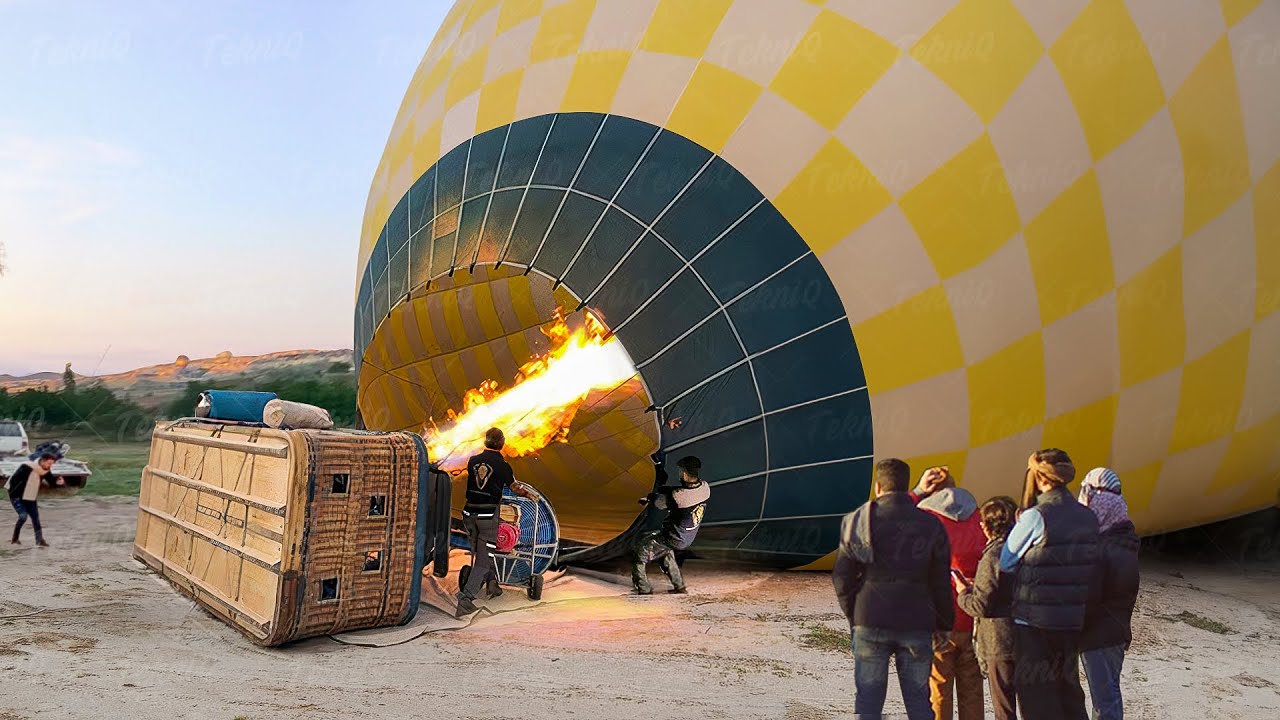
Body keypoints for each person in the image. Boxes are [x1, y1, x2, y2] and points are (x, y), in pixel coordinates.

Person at [833, 458, 953, 720]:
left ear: (878, 486)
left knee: (868, 700)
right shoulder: (932, 525)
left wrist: (854, 613)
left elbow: (842, 577)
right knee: (919, 699)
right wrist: (944, 623)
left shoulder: (858, 521)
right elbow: (941, 581)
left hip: (870, 617)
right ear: (906, 484)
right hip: (917, 620)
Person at [1000, 449, 1099, 720]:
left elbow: (1007, 562)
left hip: (1033, 623)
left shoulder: (1036, 517)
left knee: (1037, 699)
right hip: (1071, 620)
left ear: (1040, 476)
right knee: (1068, 693)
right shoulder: (1088, 517)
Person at [912, 467, 986, 720]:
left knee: (938, 688)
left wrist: (916, 493)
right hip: (974, 618)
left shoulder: (924, 520)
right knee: (973, 688)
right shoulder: (980, 518)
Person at [1078, 468, 1140, 720]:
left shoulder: (1108, 547)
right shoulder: (1123, 539)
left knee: (1105, 701)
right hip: (1111, 631)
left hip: (1100, 635)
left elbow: (1093, 595)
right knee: (1106, 696)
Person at [455, 428, 532, 617]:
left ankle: (492, 585)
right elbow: (514, 488)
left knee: (481, 552)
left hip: (469, 515)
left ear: (485, 442)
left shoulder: (472, 461)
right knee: (483, 558)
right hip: (487, 517)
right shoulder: (503, 466)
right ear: (502, 442)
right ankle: (466, 598)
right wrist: (529, 495)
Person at [955, 496, 1020, 720]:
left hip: (998, 641)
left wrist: (963, 591)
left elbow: (980, 605)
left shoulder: (991, 556)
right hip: (1027, 637)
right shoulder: (1024, 551)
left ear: (986, 526)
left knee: (1004, 707)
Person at [631, 455, 709, 595]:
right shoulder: (705, 488)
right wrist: (664, 490)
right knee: (665, 552)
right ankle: (679, 586)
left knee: (639, 552)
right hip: (686, 538)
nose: (679, 474)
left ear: (684, 473)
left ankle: (644, 589)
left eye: (680, 472)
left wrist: (649, 497)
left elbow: (660, 502)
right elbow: (678, 491)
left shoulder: (679, 497)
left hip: (672, 537)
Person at [6, 453, 63, 547]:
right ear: (43, 461)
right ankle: (15, 538)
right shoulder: (26, 467)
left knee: (35, 518)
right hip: (17, 496)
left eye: (52, 464)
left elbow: (51, 482)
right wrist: (14, 496)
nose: (50, 466)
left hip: (30, 497)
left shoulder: (45, 470)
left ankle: (39, 540)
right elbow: (14, 481)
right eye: (49, 463)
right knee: (23, 517)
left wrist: (58, 482)